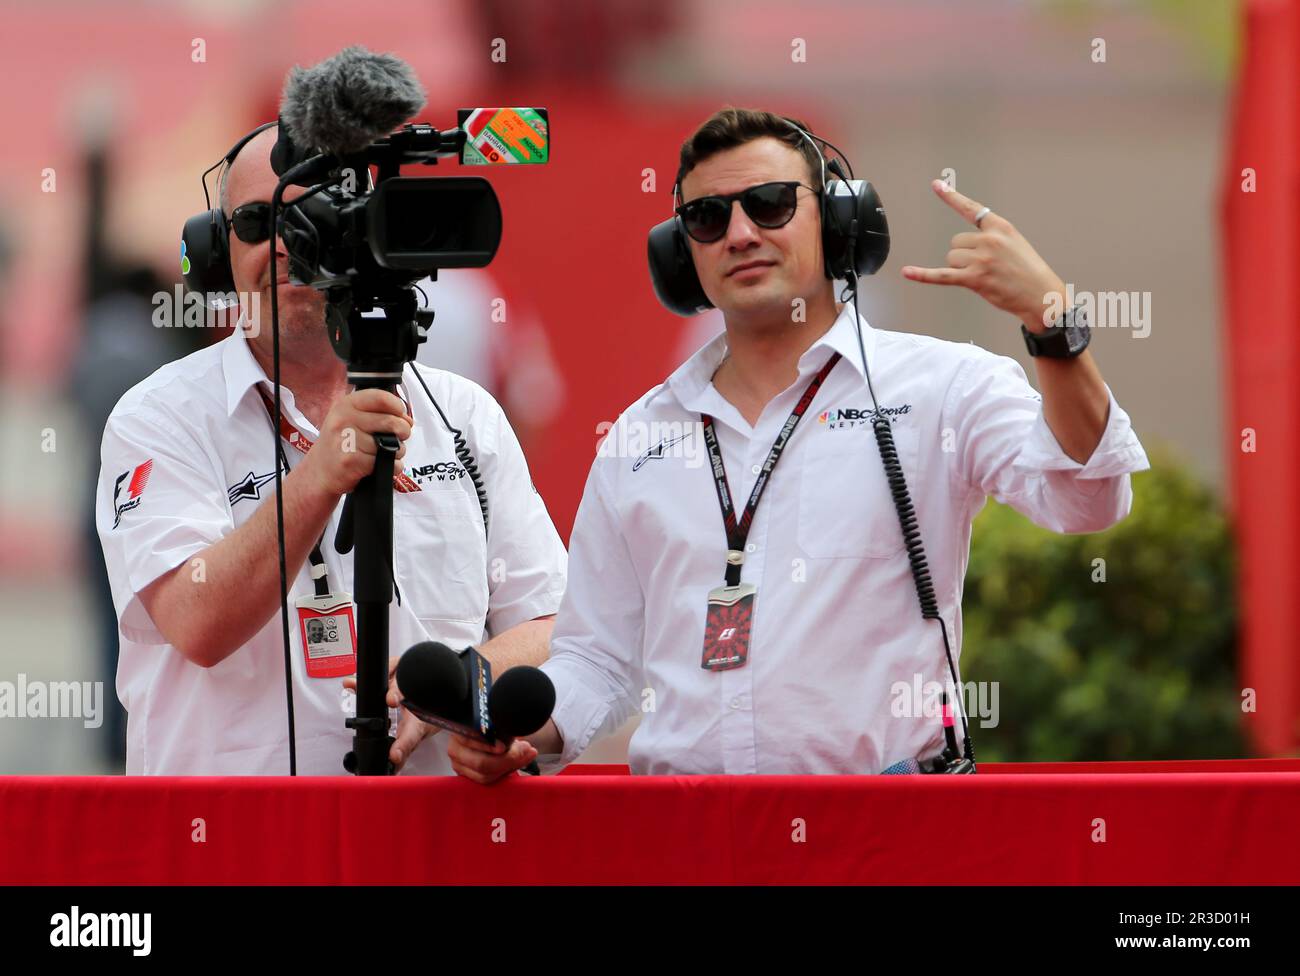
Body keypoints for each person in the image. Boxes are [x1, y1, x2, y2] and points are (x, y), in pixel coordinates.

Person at [448, 107, 1149, 781]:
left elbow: (1087, 496)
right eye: (708, 216)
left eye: (772, 203)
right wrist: (523, 735)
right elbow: (597, 660)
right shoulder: (638, 438)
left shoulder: (943, 386)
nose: (741, 232)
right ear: (682, 251)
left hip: (885, 836)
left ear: (839, 223)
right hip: (686, 839)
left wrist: (1052, 321)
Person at [96, 125, 567, 775]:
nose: (288, 244)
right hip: (233, 851)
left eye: (314, 219)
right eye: (259, 221)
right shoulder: (158, 416)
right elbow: (195, 621)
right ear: (213, 247)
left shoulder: (465, 415)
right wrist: (318, 477)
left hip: (434, 849)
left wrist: (471, 689)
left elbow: (555, 625)